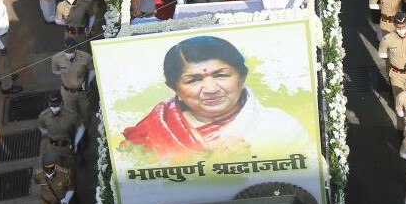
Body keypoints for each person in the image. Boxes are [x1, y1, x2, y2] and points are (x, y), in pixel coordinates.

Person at [121, 35, 311, 159]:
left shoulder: (281, 127)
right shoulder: (148, 134)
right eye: (194, 80)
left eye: (221, 75)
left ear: (242, 76)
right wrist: (211, 170)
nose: (210, 89)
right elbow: (139, 192)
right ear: (174, 88)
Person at [52, 36, 94, 123]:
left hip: (83, 92)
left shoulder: (85, 57)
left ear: (75, 48)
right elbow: (55, 71)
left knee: (86, 113)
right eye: (67, 51)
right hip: (67, 93)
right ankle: (75, 130)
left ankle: (85, 130)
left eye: (71, 51)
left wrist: (87, 82)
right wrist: (67, 74)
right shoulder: (56, 58)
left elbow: (92, 70)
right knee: (71, 114)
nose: (69, 53)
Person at [38, 92, 80, 167]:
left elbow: (80, 128)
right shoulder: (43, 116)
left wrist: (76, 142)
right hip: (52, 148)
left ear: (61, 102)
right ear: (48, 103)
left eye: (57, 105)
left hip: (68, 147)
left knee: (71, 169)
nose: (55, 108)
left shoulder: (71, 115)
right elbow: (43, 130)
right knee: (56, 170)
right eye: (52, 105)